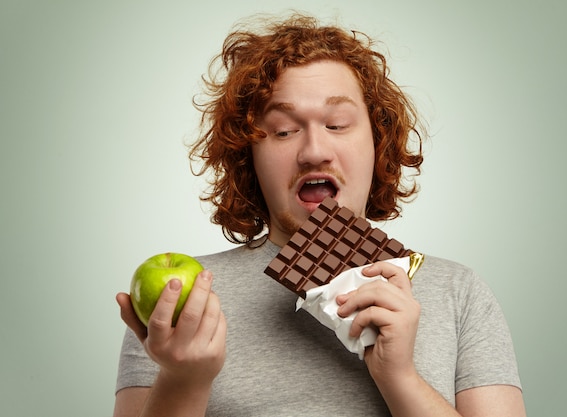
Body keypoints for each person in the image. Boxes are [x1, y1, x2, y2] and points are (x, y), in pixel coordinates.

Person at [113, 13, 526, 417]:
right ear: (248, 158)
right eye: (283, 131)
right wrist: (184, 380)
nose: (313, 151)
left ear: (378, 143)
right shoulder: (183, 306)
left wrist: (399, 378)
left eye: (338, 123)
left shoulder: (458, 293)